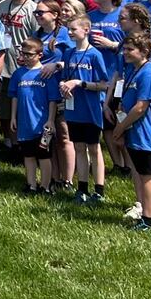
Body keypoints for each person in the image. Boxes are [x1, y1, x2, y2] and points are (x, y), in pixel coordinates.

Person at [110, 33, 151, 231]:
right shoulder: (135, 70)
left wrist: (120, 127)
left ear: (144, 51)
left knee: (147, 176)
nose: (124, 53)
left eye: (129, 50)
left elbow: (141, 107)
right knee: (143, 173)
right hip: (135, 131)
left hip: (146, 132)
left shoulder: (149, 73)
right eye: (124, 49)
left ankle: (149, 219)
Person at [59, 14, 111, 203]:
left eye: (73, 29)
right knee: (79, 148)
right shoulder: (69, 53)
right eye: (69, 29)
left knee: (94, 149)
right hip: (74, 109)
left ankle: (99, 189)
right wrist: (64, 85)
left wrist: (80, 83)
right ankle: (81, 188)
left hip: (91, 109)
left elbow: (104, 84)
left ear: (86, 30)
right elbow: (64, 77)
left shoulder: (94, 55)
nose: (70, 32)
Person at [7, 40, 59, 194]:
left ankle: (46, 185)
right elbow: (14, 97)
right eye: (23, 54)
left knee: (43, 155)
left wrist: (50, 120)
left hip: (42, 124)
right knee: (28, 155)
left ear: (40, 54)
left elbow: (52, 99)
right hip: (25, 123)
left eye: (29, 54)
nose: (26, 57)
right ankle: (31, 185)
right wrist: (13, 117)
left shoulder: (45, 73)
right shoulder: (18, 74)